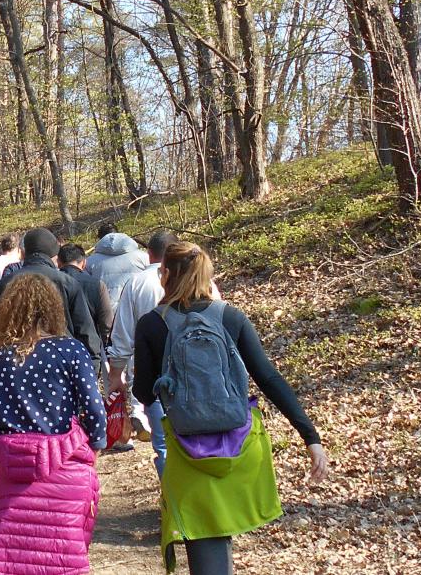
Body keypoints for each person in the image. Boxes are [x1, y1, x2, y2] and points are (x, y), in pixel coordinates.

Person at [131, 241, 328, 574]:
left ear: (166, 275)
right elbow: (268, 377)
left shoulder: (152, 324)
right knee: (221, 542)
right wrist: (310, 437)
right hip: (238, 446)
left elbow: (144, 392)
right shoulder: (230, 317)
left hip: (184, 448)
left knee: (204, 541)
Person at [0, 273, 107, 573]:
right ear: (53, 308)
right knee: (59, 562)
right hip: (67, 473)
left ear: (7, 310)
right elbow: (94, 410)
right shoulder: (71, 351)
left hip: (12, 478)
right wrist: (95, 446)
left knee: (9, 562)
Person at [106, 230, 181, 465]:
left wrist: (116, 372)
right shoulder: (199, 280)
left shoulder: (137, 282)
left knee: (163, 447)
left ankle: (171, 495)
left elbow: (124, 331)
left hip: (152, 370)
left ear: (149, 254)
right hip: (194, 371)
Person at [0, 228, 103, 364]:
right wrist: (91, 366)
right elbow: (85, 331)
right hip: (61, 362)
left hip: (14, 364)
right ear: (55, 255)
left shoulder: (6, 283)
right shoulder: (67, 283)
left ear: (23, 253)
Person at [57, 244, 114, 363]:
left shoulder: (49, 283)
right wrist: (103, 344)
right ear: (84, 263)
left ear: (58, 262)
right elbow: (106, 322)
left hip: (58, 349)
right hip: (89, 349)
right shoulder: (97, 285)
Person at [85, 223, 149, 311]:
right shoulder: (143, 257)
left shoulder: (88, 262)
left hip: (107, 314)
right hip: (140, 309)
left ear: (100, 239)